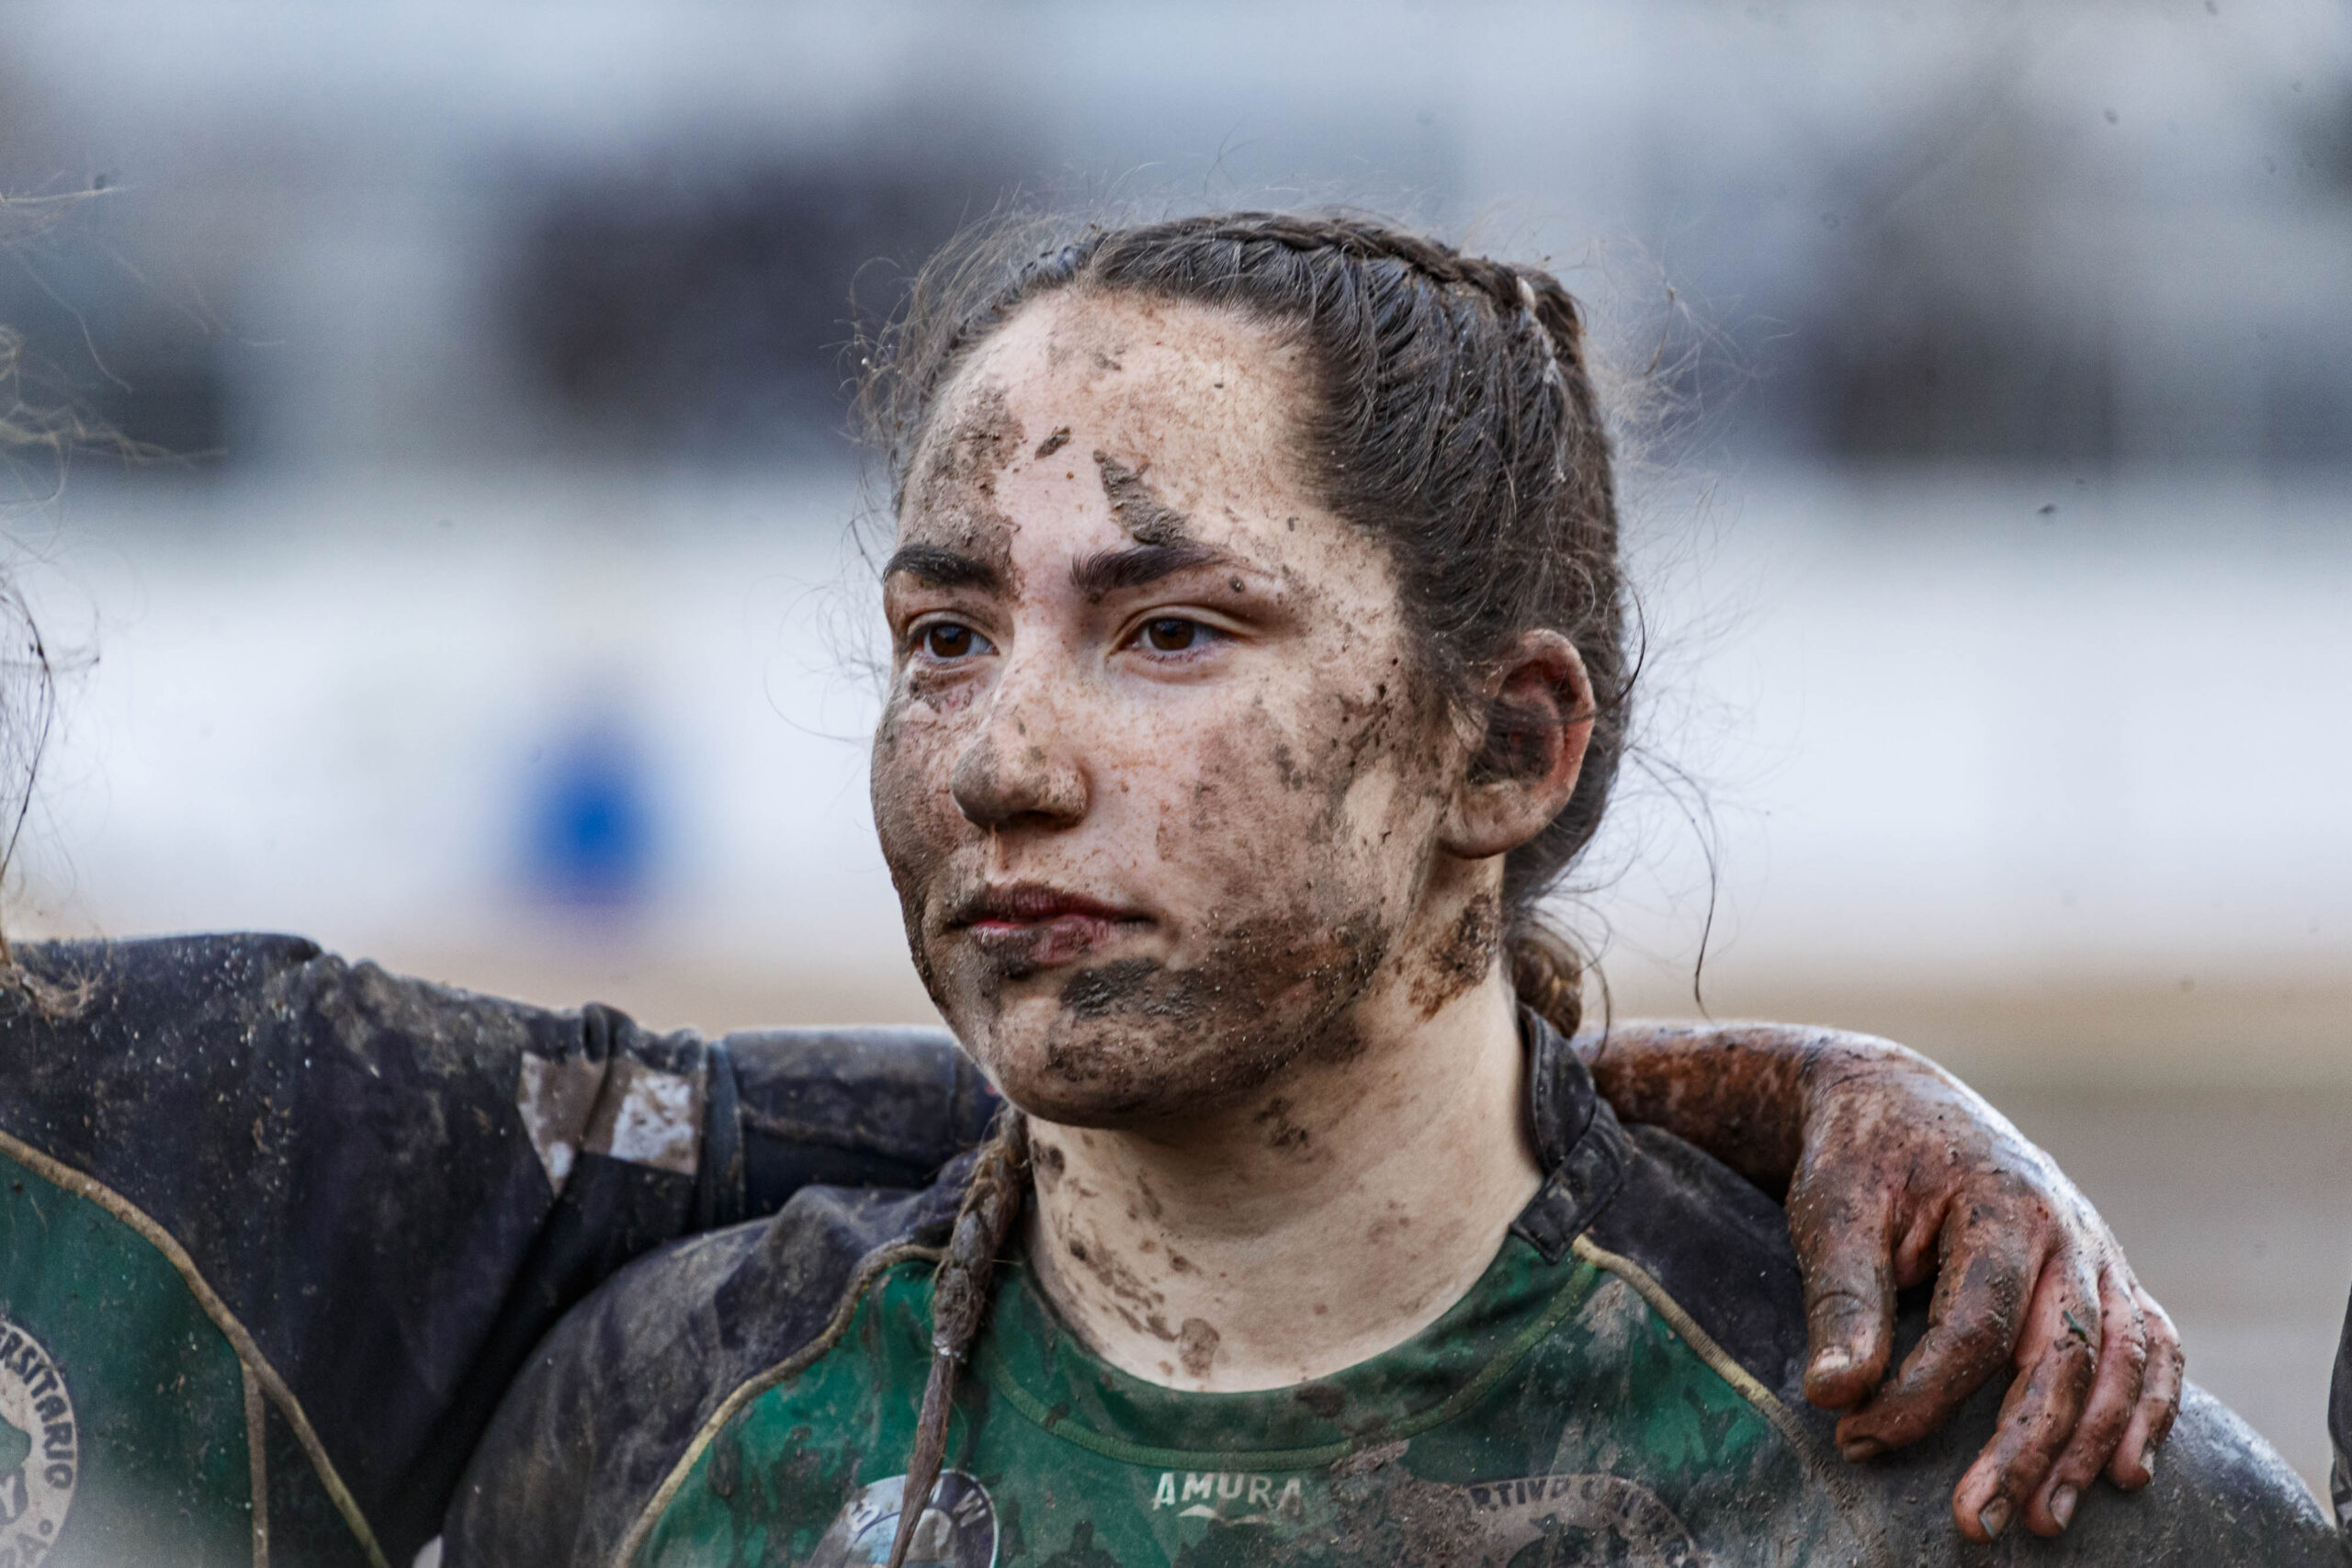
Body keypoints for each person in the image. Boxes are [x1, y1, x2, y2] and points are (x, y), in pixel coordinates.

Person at [430, 213, 2337, 1567]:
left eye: (1166, 628)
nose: (999, 758)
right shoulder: (665, 1430)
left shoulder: (1968, 1470)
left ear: (1502, 746)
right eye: (941, 636)